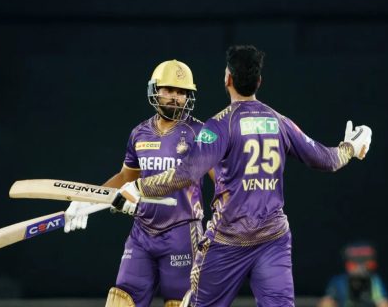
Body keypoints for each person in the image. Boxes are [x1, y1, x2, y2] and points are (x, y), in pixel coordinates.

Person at [113, 45, 373, 307]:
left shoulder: (218, 126)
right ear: (259, 81)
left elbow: (186, 173)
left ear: (227, 78)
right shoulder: (279, 121)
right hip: (272, 239)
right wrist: (351, 147)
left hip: (227, 240)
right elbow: (327, 160)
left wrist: (139, 187)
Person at [64, 59, 213, 307]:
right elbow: (125, 179)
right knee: (121, 300)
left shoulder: (202, 132)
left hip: (181, 232)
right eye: (169, 90)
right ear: (155, 90)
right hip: (142, 234)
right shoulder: (139, 133)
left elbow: (223, 177)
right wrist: (90, 199)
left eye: (181, 92)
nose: (175, 97)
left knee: (181, 303)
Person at [318, 242, 388, 307]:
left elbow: (383, 301)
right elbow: (328, 300)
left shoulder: (375, 281)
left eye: (367, 264)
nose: (360, 267)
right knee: (327, 301)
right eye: (354, 264)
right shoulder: (339, 281)